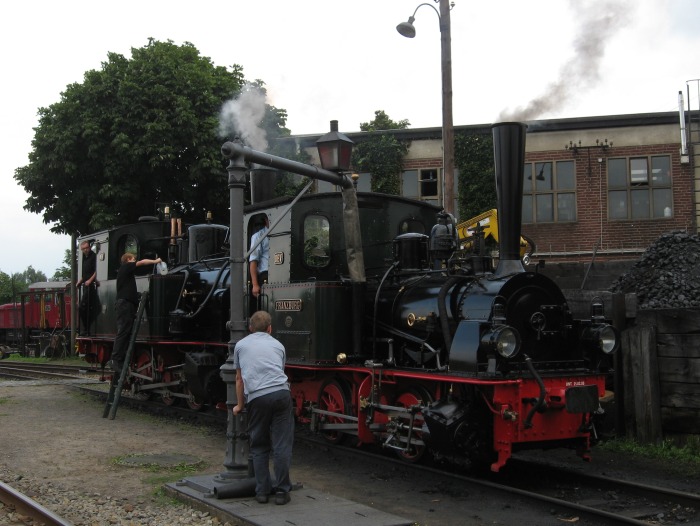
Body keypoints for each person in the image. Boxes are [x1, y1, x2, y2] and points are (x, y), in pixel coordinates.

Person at [232, 310, 293, 505]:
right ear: (270, 329)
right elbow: (279, 370)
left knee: (259, 445)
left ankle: (262, 492)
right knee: (281, 445)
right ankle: (283, 491)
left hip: (257, 397)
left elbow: (239, 379)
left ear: (250, 328)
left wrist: (239, 405)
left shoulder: (240, 345)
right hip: (282, 394)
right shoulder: (278, 345)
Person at [106, 252, 161, 374]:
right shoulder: (126, 267)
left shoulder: (126, 275)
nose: (135, 260)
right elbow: (141, 263)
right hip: (125, 305)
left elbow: (128, 290)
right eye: (133, 259)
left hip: (127, 304)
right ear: (128, 260)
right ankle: (115, 359)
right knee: (123, 331)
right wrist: (155, 262)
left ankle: (120, 360)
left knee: (126, 332)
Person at [76, 241, 97, 335]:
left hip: (91, 285)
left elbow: (97, 271)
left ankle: (86, 329)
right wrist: (80, 281)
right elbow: (85, 274)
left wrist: (90, 280)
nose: (85, 250)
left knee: (83, 307)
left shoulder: (94, 257)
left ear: (89, 247)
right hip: (85, 284)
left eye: (87, 248)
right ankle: (86, 328)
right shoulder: (84, 259)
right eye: (83, 248)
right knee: (83, 308)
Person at [249, 216, 270, 310]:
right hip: (265, 276)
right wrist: (255, 285)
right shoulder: (258, 236)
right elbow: (253, 261)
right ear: (266, 220)